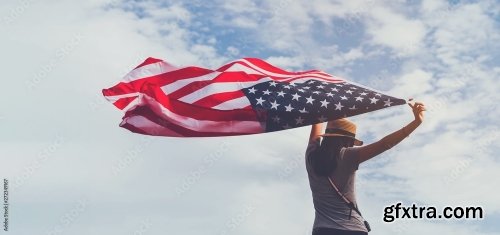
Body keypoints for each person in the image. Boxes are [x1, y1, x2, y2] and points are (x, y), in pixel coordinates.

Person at [305, 100, 426, 235]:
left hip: (321, 230)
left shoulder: (311, 155)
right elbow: (384, 144)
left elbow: (315, 133)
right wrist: (416, 122)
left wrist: (318, 105)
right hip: (352, 230)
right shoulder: (347, 155)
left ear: (327, 136)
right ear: (347, 141)